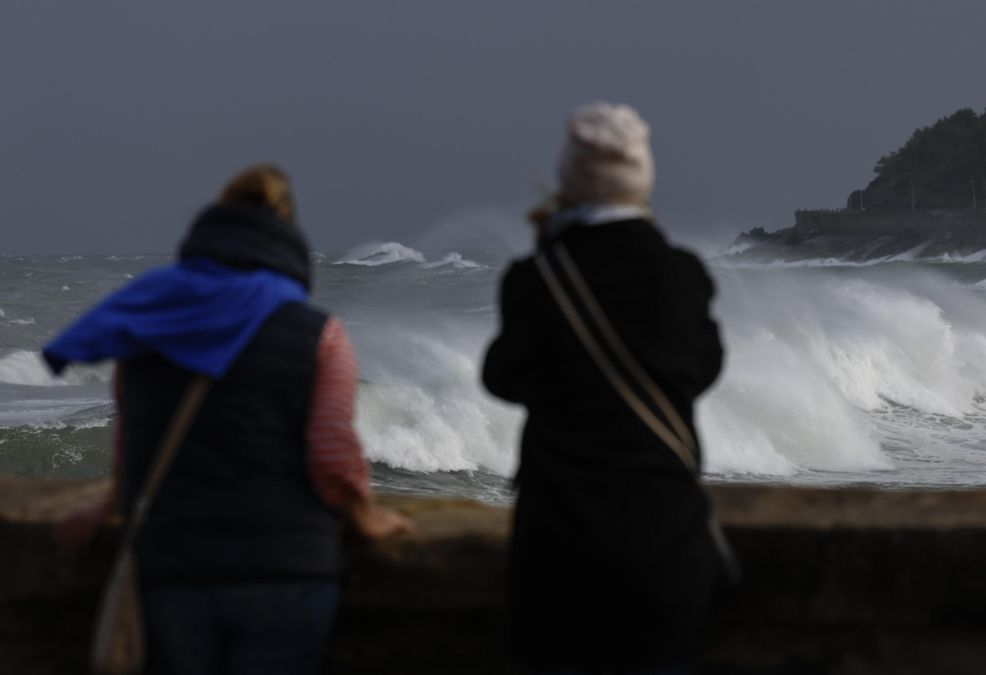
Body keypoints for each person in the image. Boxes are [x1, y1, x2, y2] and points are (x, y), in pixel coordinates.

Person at [50, 164, 413, 675]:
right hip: (286, 574)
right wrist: (366, 519)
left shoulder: (149, 321)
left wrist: (109, 505)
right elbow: (332, 453)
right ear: (288, 235)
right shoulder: (319, 334)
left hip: (173, 571)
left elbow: (135, 432)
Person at [483, 103, 727, 673]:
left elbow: (502, 377)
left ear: (569, 177)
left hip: (559, 550)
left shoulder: (537, 276)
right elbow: (705, 367)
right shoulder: (680, 273)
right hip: (664, 545)